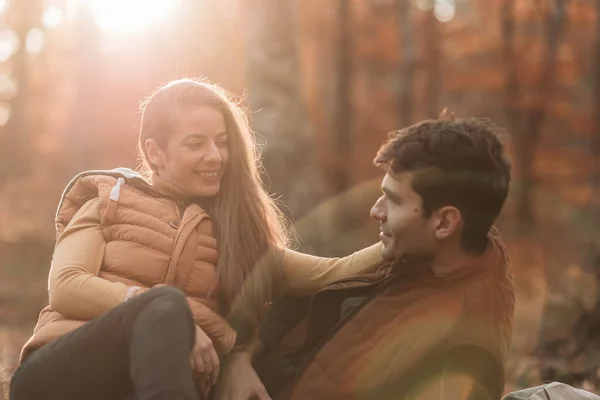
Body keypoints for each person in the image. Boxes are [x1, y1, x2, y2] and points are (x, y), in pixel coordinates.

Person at [8, 78, 383, 400]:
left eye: (221, 142)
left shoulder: (242, 237)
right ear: (155, 152)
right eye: (196, 144)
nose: (215, 156)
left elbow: (336, 273)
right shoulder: (109, 200)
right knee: (167, 305)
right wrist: (172, 315)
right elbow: (67, 286)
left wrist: (408, 227)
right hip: (59, 372)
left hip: (146, 386)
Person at [217, 115, 515, 400]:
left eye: (395, 200)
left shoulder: (464, 353)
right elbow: (306, 284)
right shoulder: (429, 251)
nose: (376, 211)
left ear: (444, 223)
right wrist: (239, 359)